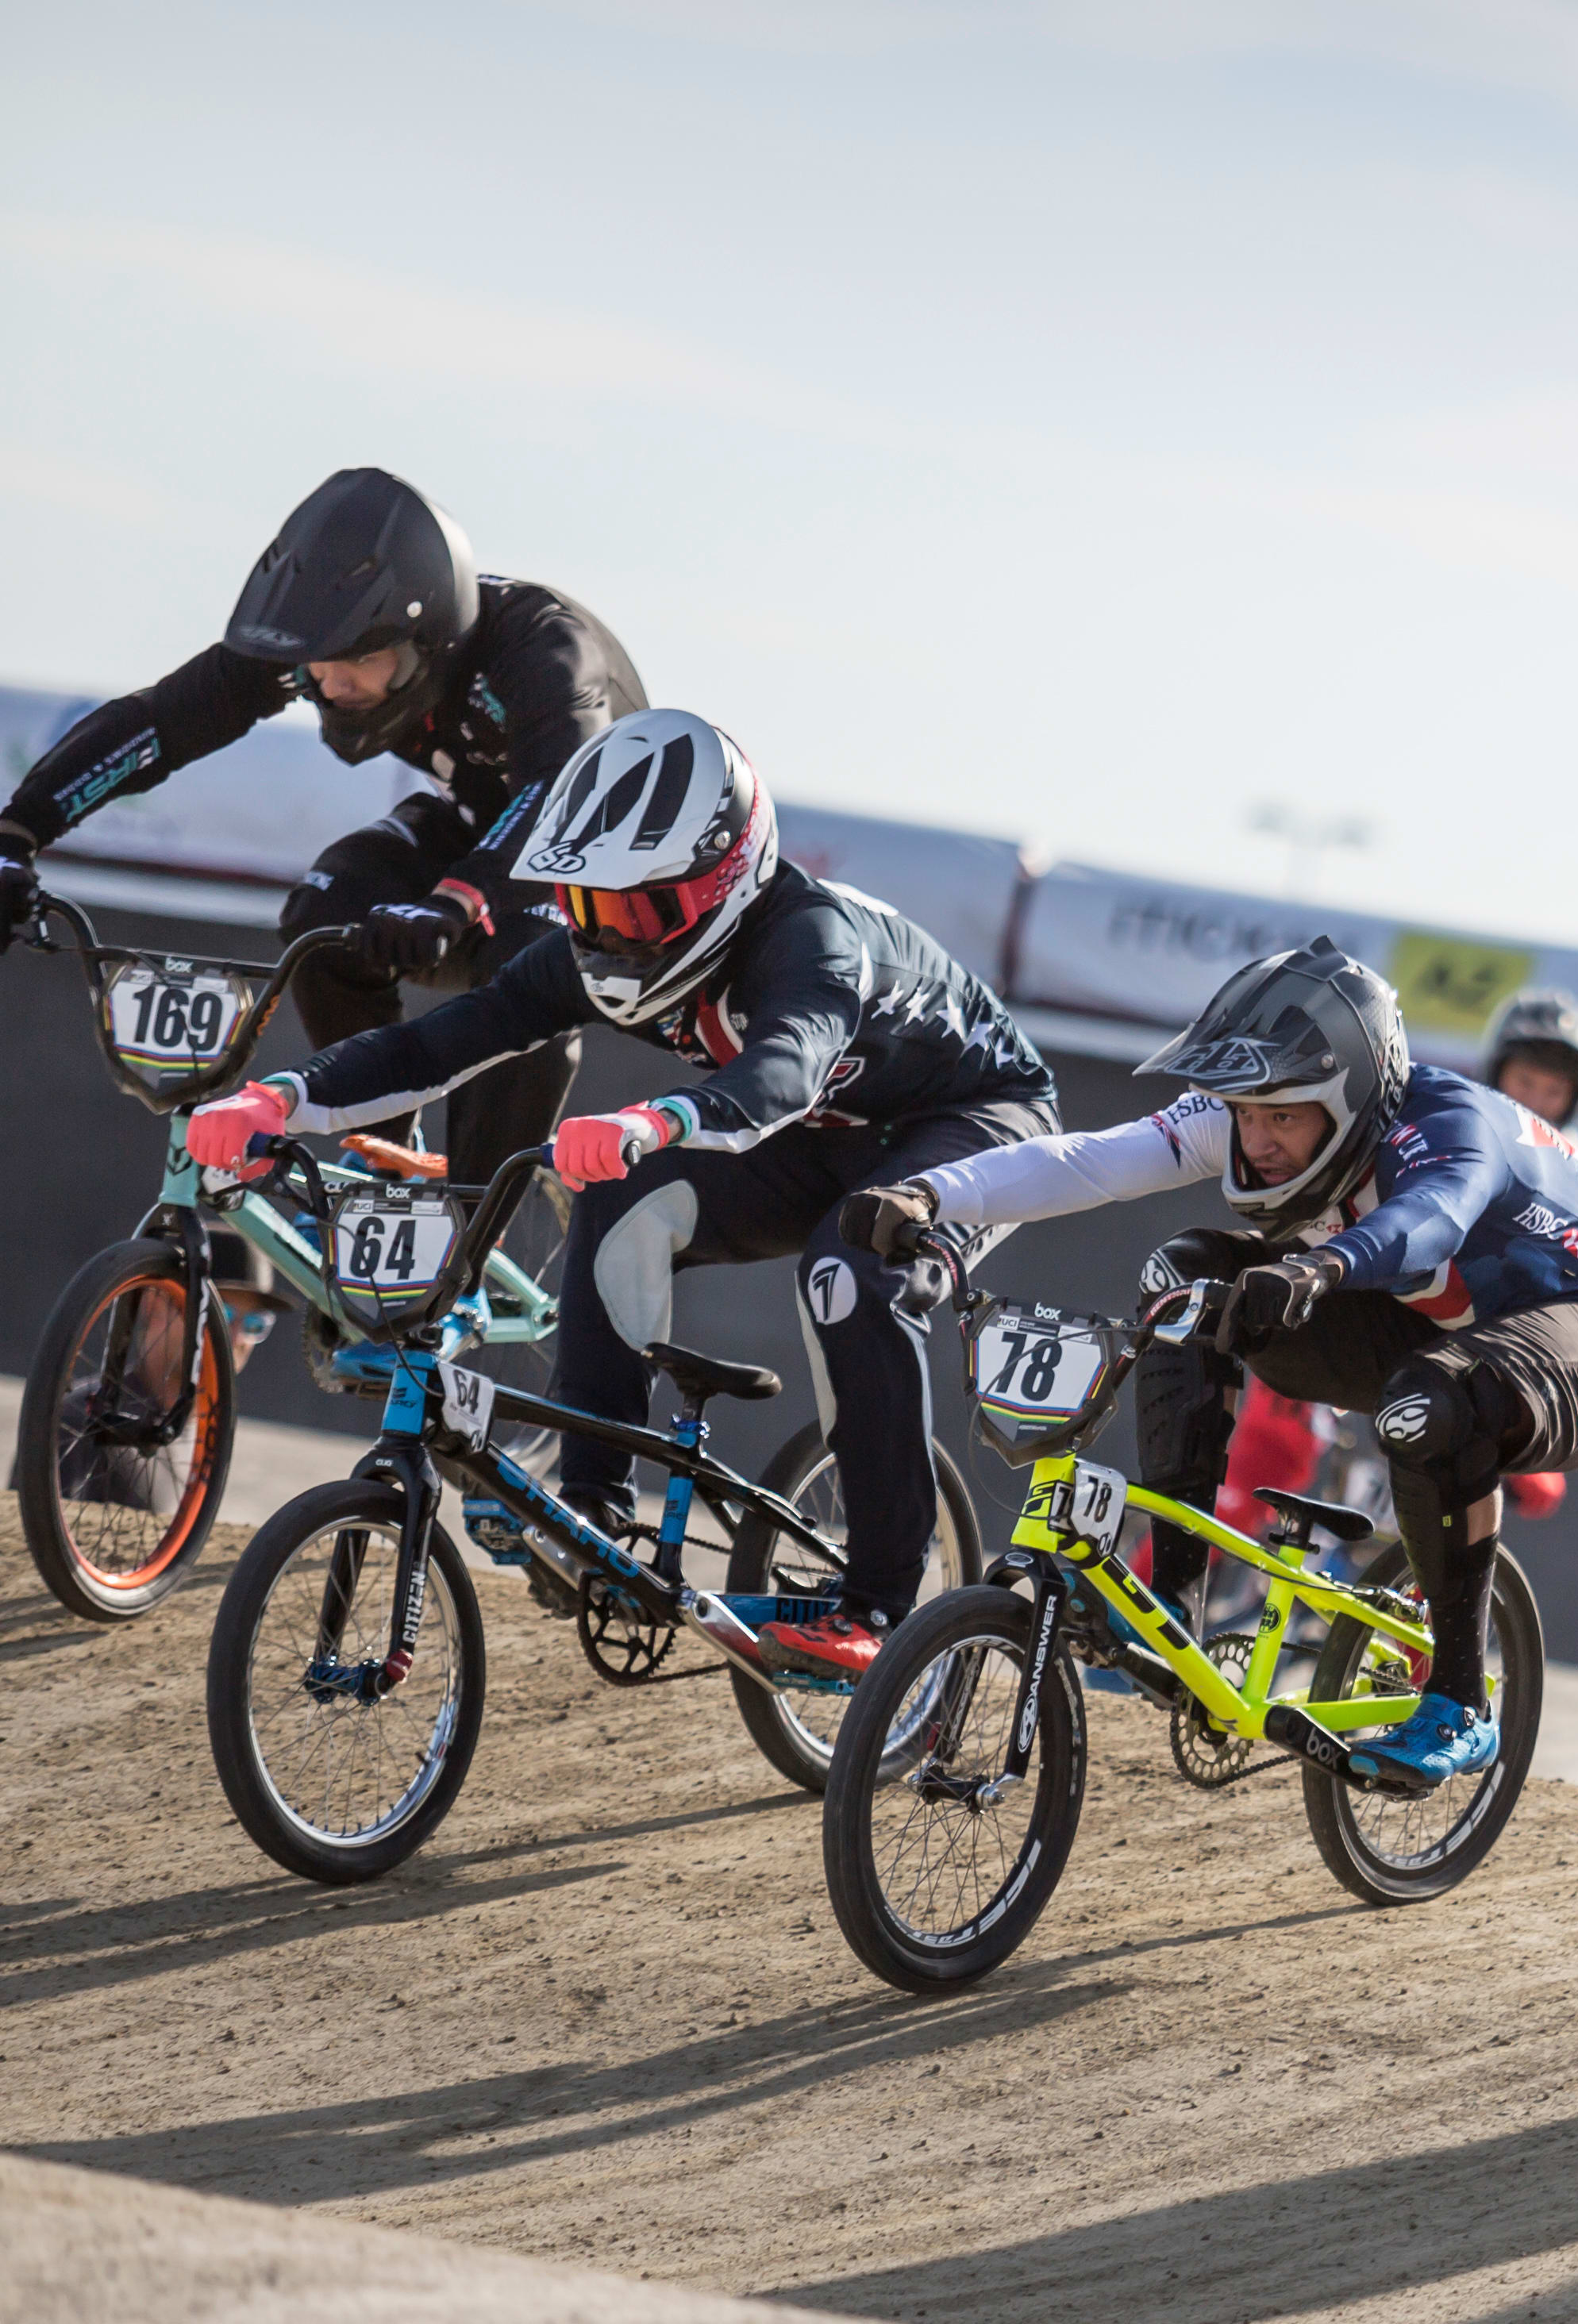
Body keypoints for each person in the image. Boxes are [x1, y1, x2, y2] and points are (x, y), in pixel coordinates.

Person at [182, 709, 1053, 1671]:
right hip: (822, 1136)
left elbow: (781, 1077)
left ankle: (886, 1602)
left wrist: (651, 1122)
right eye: (587, 907)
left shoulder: (813, 941)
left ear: (727, 877)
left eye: (637, 912)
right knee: (616, 1197)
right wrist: (284, 1097)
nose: (612, 939)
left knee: (851, 1267)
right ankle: (590, 1509)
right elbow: (439, 1045)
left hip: (975, 1119)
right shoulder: (588, 952)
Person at [852, 940, 1578, 1783]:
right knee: (1186, 1280)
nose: (1260, 1138)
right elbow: (1091, 1160)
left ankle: (1461, 1701)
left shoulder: (1449, 1123)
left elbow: (1429, 1219)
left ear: (1352, 1096)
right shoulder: (1253, 1116)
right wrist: (932, 1194)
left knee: (1435, 1402)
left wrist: (1318, 1268)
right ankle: (1174, 1595)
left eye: (1283, 1117)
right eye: (1248, 1114)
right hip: (1425, 1316)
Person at [2, 468, 643, 1173]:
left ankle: (468, 1230)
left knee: (524, 981)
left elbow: (563, 793)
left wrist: (455, 900)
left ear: (429, 642)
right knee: (324, 911)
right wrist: (19, 833)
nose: (334, 689)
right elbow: (163, 722)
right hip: (477, 827)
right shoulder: (335, 652)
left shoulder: (544, 646)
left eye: (362, 663)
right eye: (318, 667)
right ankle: (388, 1159)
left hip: (597, 858)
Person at [1485, 985, 1578, 1130]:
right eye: (1525, 1082)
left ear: (1576, 1099)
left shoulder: (1574, 1153)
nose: (1534, 1104)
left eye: (1555, 1091)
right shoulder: (1458, 1136)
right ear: (1496, 1072)